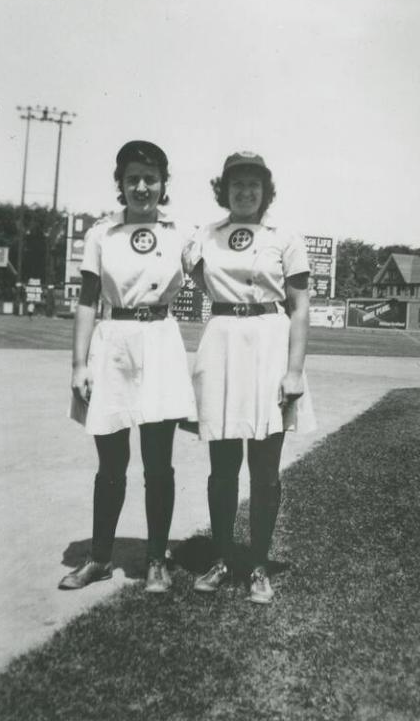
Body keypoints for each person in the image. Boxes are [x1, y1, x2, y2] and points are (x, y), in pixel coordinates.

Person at [59, 140, 195, 594]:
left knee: (159, 464)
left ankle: (156, 559)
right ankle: (99, 557)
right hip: (113, 342)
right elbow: (86, 302)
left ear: (163, 184)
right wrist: (79, 364)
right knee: (111, 463)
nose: (141, 187)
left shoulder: (181, 232)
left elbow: (219, 280)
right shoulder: (101, 234)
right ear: (120, 183)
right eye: (132, 178)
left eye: (150, 179)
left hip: (159, 340)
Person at [183, 151, 315, 604]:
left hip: (270, 345)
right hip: (222, 342)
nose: (244, 191)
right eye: (236, 183)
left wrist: (294, 371)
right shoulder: (205, 235)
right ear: (224, 189)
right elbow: (202, 281)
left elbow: (299, 308)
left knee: (264, 469)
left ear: (266, 190)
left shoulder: (285, 237)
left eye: (253, 184)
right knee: (222, 467)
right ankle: (221, 558)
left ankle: (258, 564)